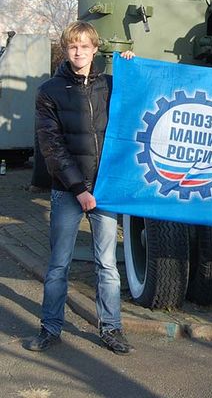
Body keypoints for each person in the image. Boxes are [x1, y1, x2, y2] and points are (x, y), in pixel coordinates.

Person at [23, 21, 135, 355]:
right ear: (65, 49)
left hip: (105, 190)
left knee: (107, 265)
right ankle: (50, 328)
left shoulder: (110, 86)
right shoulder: (49, 92)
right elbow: (52, 147)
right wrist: (79, 189)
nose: (79, 52)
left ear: (95, 49)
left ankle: (111, 328)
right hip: (68, 192)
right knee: (59, 264)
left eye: (85, 46)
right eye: (73, 46)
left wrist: (132, 69)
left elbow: (138, 104)